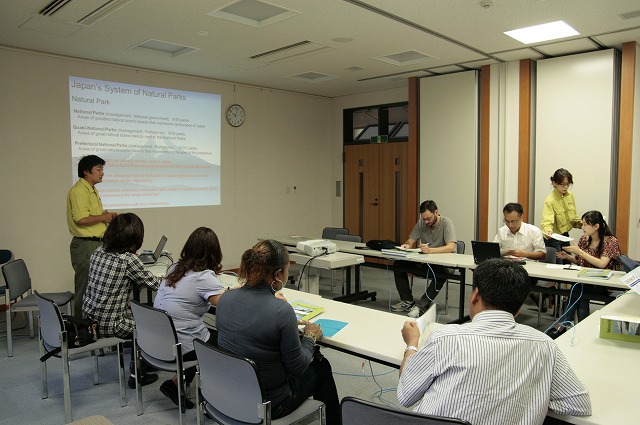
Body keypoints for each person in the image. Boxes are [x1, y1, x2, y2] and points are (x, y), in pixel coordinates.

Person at [397, 258, 591, 425]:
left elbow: (406, 394)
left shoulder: (446, 338)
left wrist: (411, 345)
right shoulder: (544, 345)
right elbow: (579, 404)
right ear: (518, 309)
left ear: (475, 296)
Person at [216, 240, 340, 424]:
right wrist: (310, 336)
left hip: (229, 392)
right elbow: (298, 368)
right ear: (277, 275)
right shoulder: (281, 311)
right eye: (287, 268)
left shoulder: (225, 298)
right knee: (322, 367)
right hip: (270, 403)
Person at [82, 212, 161, 389]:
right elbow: (155, 284)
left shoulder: (98, 251)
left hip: (89, 318)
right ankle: (136, 374)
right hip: (110, 324)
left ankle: (142, 361)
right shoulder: (128, 260)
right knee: (148, 324)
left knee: (141, 311)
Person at [153, 227, 225, 409]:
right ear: (214, 253)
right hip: (179, 345)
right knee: (223, 341)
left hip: (160, 341)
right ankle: (216, 400)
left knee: (198, 334)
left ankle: (176, 383)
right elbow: (226, 303)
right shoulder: (204, 277)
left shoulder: (175, 267)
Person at [548, 210, 622, 338]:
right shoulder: (584, 239)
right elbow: (580, 262)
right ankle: (579, 329)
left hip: (605, 284)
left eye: (585, 225)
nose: (582, 228)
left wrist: (580, 252)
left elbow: (602, 264)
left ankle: (563, 326)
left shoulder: (611, 241)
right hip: (586, 281)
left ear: (596, 226)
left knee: (578, 290)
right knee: (580, 291)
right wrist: (568, 257)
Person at [67, 155, 117, 317]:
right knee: (85, 287)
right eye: (98, 169)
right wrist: (103, 218)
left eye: (102, 169)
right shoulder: (79, 191)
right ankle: (80, 329)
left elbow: (91, 215)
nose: (102, 173)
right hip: (86, 245)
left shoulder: (92, 189)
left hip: (96, 243)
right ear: (86, 172)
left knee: (95, 286)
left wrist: (106, 216)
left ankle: (92, 324)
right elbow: (81, 219)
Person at [391, 200, 456, 318]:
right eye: (424, 219)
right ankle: (407, 300)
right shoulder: (421, 223)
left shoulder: (446, 223)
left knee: (440, 274)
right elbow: (410, 240)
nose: (426, 222)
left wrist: (431, 250)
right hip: (426, 261)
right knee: (398, 265)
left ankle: (421, 307)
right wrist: (407, 245)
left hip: (444, 265)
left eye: (429, 219)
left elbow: (451, 247)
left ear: (436, 212)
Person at [541, 168, 582, 263]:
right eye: (563, 184)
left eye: (568, 184)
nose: (566, 187)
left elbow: (573, 218)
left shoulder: (570, 196)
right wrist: (548, 231)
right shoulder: (550, 200)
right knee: (558, 266)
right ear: (554, 183)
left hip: (565, 236)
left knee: (567, 264)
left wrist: (585, 225)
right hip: (553, 238)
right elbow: (547, 221)